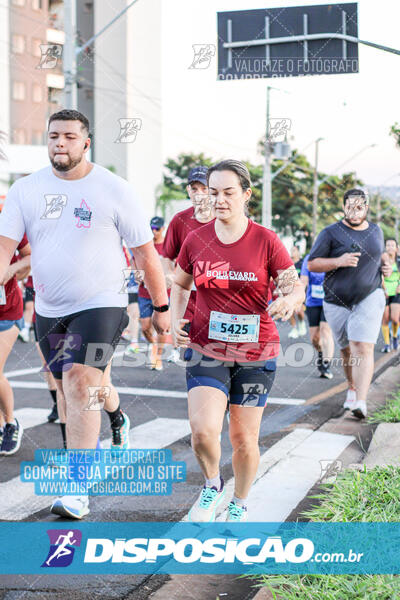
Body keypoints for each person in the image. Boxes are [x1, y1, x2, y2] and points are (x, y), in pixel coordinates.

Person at [0, 109, 169, 518]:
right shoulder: (26, 190)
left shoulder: (114, 189)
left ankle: (77, 489)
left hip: (103, 304)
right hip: (49, 308)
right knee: (74, 388)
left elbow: (147, 256)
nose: (60, 143)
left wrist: (161, 308)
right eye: (54, 136)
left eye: (70, 137)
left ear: (86, 143)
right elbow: (5, 248)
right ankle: (117, 417)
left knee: (79, 383)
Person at [171, 160, 305, 522]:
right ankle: (213, 484)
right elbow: (180, 284)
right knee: (202, 432)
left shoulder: (265, 240)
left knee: (243, 439)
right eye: (213, 192)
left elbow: (294, 284)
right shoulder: (197, 239)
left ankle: (239, 502)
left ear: (246, 195)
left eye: (229, 192)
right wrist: (173, 320)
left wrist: (289, 300)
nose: (220, 200)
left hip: (255, 353)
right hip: (205, 347)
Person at [308, 189, 390, 419]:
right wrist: (338, 261)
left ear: (366, 208)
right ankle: (352, 389)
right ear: (343, 207)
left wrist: (387, 265)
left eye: (359, 207)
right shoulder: (330, 233)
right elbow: (313, 264)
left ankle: (361, 402)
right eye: (350, 206)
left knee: (362, 347)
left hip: (370, 296)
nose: (354, 211)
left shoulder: (376, 231)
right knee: (346, 350)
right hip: (336, 301)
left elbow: (381, 253)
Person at [163, 166, 215, 363]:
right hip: (188, 302)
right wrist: (168, 274)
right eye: (194, 189)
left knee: (215, 357)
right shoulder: (180, 221)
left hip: (217, 301)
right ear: (188, 191)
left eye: (204, 188)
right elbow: (166, 256)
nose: (199, 194)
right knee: (192, 358)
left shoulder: (225, 219)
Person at [0, 234, 31, 455]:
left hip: (7, 313)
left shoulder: (7, 223)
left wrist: (15, 270)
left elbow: (31, 255)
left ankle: (11, 423)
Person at [137, 216, 170, 370]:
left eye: (157, 229)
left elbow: (177, 265)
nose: (154, 231)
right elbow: (134, 261)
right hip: (144, 292)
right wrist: (136, 273)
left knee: (162, 327)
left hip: (163, 293)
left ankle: (158, 355)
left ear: (163, 229)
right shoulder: (146, 245)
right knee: (144, 326)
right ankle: (153, 346)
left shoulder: (169, 246)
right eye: (151, 228)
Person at [300, 254, 334, 379]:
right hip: (312, 302)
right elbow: (303, 281)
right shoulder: (308, 259)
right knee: (315, 338)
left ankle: (326, 365)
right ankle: (321, 354)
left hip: (329, 301)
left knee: (326, 330)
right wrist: (298, 298)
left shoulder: (332, 257)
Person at [381, 238, 400, 352]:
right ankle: (387, 344)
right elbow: (380, 276)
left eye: (392, 245)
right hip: (385, 291)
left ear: (396, 248)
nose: (390, 247)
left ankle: (394, 337)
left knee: (395, 319)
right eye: (388, 245)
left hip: (397, 291)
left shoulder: (399, 261)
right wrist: (384, 289)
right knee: (385, 318)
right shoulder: (382, 260)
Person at [288, 246, 307, 338]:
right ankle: (294, 329)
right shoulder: (288, 262)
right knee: (289, 311)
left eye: (294, 250)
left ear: (299, 252)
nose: (292, 252)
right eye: (291, 250)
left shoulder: (302, 263)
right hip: (289, 291)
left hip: (300, 291)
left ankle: (301, 323)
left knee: (299, 311)